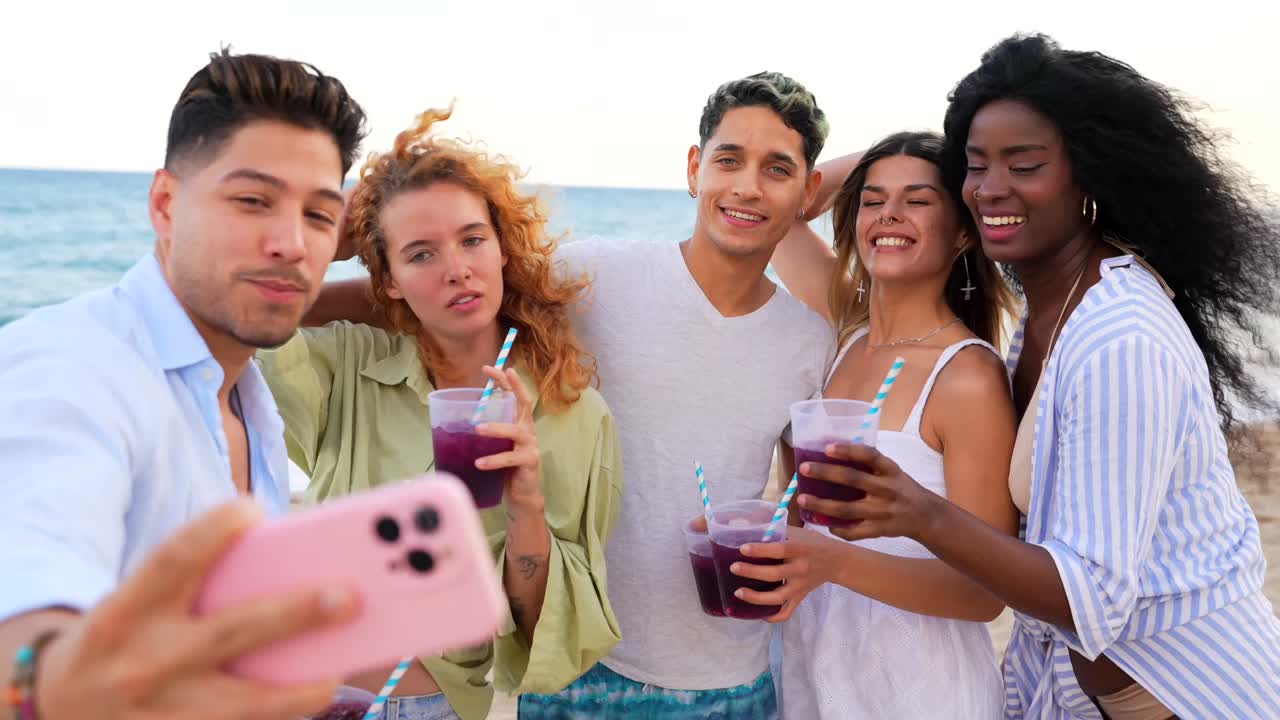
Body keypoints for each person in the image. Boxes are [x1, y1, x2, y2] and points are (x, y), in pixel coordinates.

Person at [309, 71, 836, 719]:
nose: (747, 186)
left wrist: (794, 565)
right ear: (695, 168)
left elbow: (802, 506)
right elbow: (431, 297)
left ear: (809, 190)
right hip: (575, 668)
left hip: (730, 672)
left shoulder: (809, 341)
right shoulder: (592, 276)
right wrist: (350, 228)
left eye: (777, 169)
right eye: (729, 160)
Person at [789, 34, 1280, 719]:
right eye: (975, 165)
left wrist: (919, 514)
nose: (992, 188)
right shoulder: (1047, 313)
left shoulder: (1120, 338)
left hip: (1194, 694)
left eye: (1024, 164)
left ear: (1090, 174)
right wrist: (920, 162)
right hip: (1079, 694)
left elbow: (1091, 597)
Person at [0, 49, 368, 720]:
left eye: (319, 216)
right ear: (166, 204)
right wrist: (42, 689)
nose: (292, 243)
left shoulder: (248, 397)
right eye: (253, 200)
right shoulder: (72, 371)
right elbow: (27, 583)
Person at [257, 106, 623, 720]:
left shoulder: (574, 414)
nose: (457, 269)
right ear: (391, 279)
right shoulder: (347, 366)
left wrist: (527, 503)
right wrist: (327, 237)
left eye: (473, 239)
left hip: (437, 706)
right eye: (421, 254)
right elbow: (246, 311)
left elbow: (542, 632)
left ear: (502, 249)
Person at [756, 130, 1017, 719]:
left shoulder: (967, 377)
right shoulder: (840, 334)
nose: (889, 215)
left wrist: (831, 563)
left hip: (917, 688)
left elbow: (983, 593)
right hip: (809, 673)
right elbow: (787, 207)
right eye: (872, 201)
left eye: (918, 200)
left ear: (963, 231)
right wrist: (893, 151)